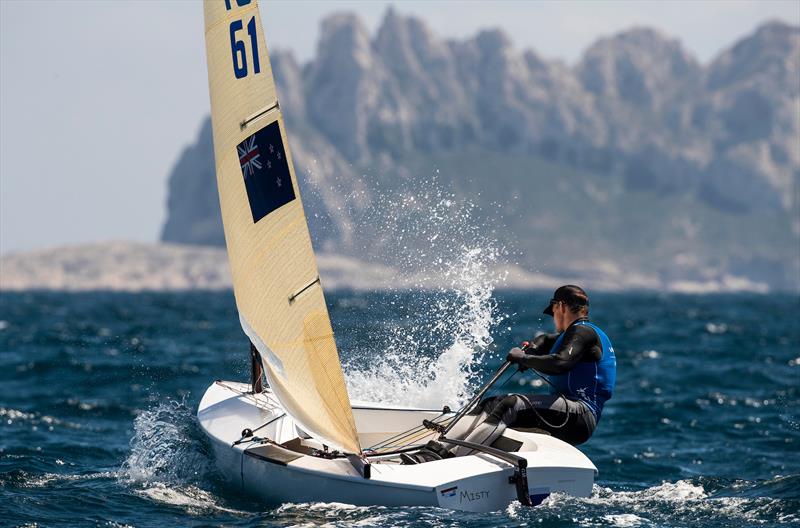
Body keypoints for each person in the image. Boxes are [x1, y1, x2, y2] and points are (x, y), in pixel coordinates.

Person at [402, 285, 616, 463]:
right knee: (491, 403)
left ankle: (446, 459)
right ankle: (435, 450)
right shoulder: (571, 334)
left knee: (510, 405)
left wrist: (523, 359)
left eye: (552, 313)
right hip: (569, 413)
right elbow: (544, 341)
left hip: (580, 416)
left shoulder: (583, 331)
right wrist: (530, 349)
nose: (553, 318)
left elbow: (560, 363)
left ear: (560, 306)